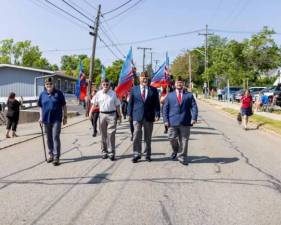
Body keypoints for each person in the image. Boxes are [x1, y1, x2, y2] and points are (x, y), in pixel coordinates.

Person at [163, 76, 198, 165]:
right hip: (172, 122)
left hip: (185, 121)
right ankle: (176, 150)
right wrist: (165, 120)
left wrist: (194, 118)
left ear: (183, 84)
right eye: (178, 82)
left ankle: (182, 157)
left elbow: (194, 107)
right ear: (175, 84)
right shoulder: (170, 95)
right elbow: (165, 109)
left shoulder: (189, 95)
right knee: (171, 138)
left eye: (181, 82)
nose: (179, 84)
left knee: (184, 140)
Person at [127, 71, 160, 163]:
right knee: (136, 135)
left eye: (146, 78)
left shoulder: (153, 90)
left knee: (148, 137)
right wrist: (129, 114)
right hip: (137, 116)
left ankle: (147, 155)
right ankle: (136, 154)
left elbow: (156, 103)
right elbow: (130, 103)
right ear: (139, 79)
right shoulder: (134, 89)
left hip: (149, 116)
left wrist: (157, 114)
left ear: (148, 79)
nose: (145, 79)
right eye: (143, 78)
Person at [38, 77, 67, 166]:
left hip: (56, 119)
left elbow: (64, 106)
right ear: (45, 85)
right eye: (47, 84)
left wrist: (65, 116)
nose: (49, 86)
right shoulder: (42, 94)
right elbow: (40, 107)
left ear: (53, 84)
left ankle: (56, 157)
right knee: (48, 138)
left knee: (55, 137)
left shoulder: (59, 93)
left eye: (50, 84)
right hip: (46, 120)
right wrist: (40, 117)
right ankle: (50, 154)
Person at [91, 78, 121, 161]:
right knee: (103, 135)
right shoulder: (98, 94)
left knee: (111, 134)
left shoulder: (113, 94)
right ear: (101, 85)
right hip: (102, 115)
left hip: (112, 115)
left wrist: (120, 115)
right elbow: (94, 104)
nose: (105, 86)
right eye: (104, 84)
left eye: (107, 84)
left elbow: (117, 105)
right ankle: (104, 151)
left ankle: (111, 152)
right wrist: (90, 113)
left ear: (109, 85)